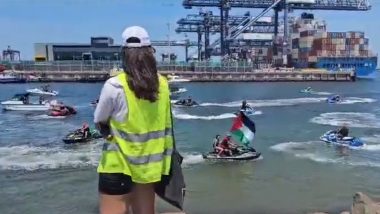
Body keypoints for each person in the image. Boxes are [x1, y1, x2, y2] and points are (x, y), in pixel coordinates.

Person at [94, 26, 174, 214]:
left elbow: (99, 119)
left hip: (117, 164)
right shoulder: (163, 84)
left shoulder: (115, 85)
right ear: (150, 52)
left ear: (124, 53)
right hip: (149, 167)